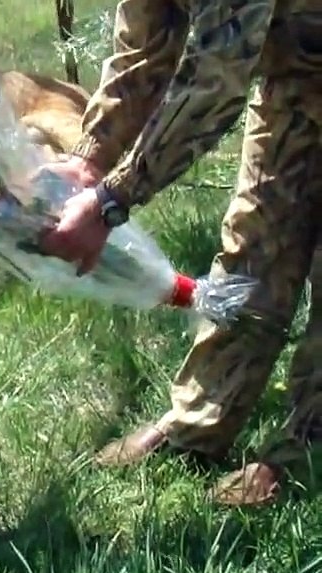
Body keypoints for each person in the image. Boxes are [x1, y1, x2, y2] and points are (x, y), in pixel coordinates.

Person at [37, 0, 322, 506]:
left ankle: (309, 447)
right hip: (297, 77)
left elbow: (215, 78)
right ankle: (198, 423)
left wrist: (111, 200)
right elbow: (144, 48)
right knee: (253, 246)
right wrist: (90, 158)